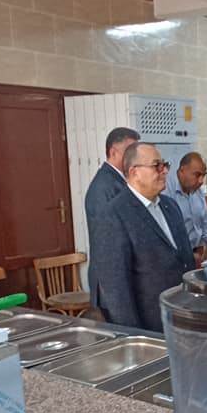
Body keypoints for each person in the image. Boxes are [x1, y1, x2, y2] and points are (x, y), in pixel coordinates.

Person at [90, 142, 195, 332]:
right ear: (134, 172)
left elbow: (185, 260)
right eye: (157, 166)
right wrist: (135, 337)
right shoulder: (114, 215)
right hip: (150, 326)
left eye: (165, 165)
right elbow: (116, 290)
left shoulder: (170, 206)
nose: (164, 171)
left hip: (184, 319)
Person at [86, 126, 140, 308]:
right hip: (110, 280)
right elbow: (107, 240)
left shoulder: (119, 181)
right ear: (113, 152)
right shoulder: (104, 187)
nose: (134, 158)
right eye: (129, 152)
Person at [163, 152, 207, 266]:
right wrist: (186, 254)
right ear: (182, 170)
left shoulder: (198, 191)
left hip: (196, 255)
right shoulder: (166, 191)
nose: (201, 181)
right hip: (175, 256)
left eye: (203, 175)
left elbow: (205, 221)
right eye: (197, 175)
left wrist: (202, 247)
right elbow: (167, 229)